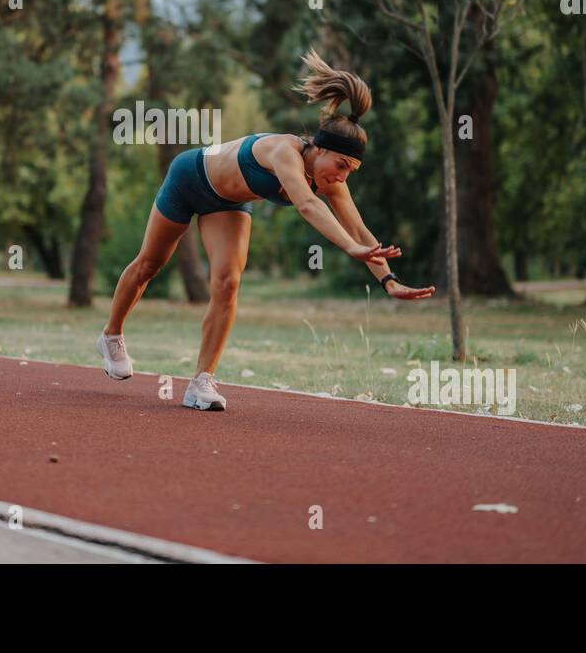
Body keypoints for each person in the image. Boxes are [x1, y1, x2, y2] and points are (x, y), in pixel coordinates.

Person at [97, 50, 435, 411]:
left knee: (228, 282)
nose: (342, 177)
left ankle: (201, 382)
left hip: (226, 204)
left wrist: (390, 281)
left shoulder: (331, 181)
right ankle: (112, 335)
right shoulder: (283, 151)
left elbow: (362, 233)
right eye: (340, 165)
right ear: (318, 149)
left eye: (350, 171)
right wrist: (350, 248)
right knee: (150, 263)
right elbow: (307, 205)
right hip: (189, 178)